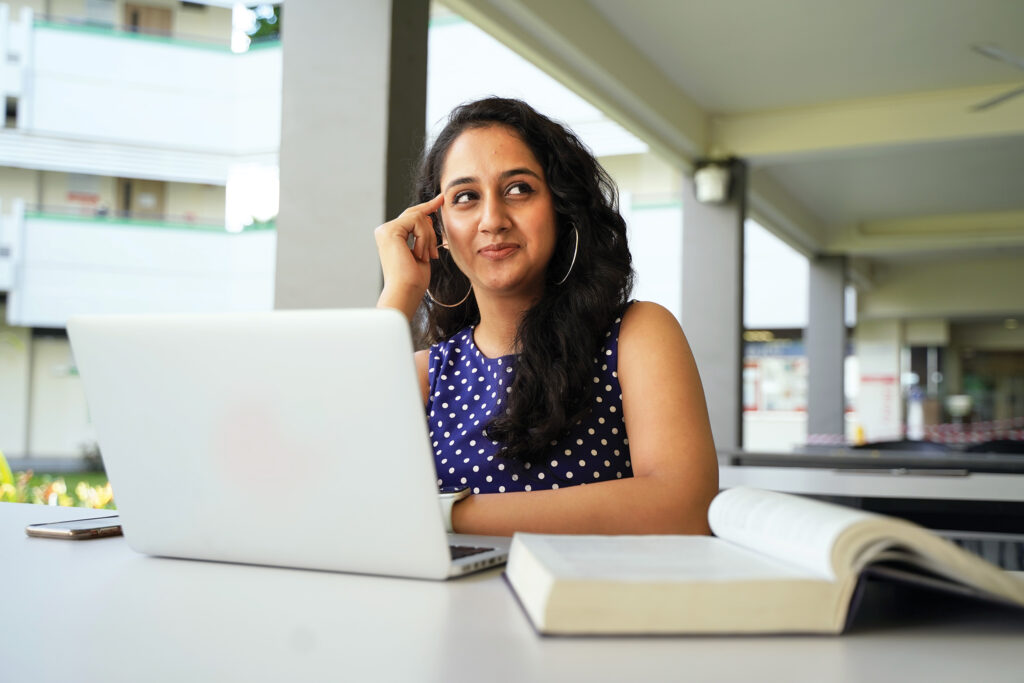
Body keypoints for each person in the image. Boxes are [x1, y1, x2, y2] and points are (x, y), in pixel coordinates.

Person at [375, 97, 717, 536]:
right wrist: (399, 293)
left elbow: (684, 505)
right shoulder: (427, 374)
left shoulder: (636, 336)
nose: (492, 220)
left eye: (518, 189)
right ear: (439, 229)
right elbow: (332, 477)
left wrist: (444, 515)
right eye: (465, 198)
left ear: (560, 207)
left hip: (595, 602)